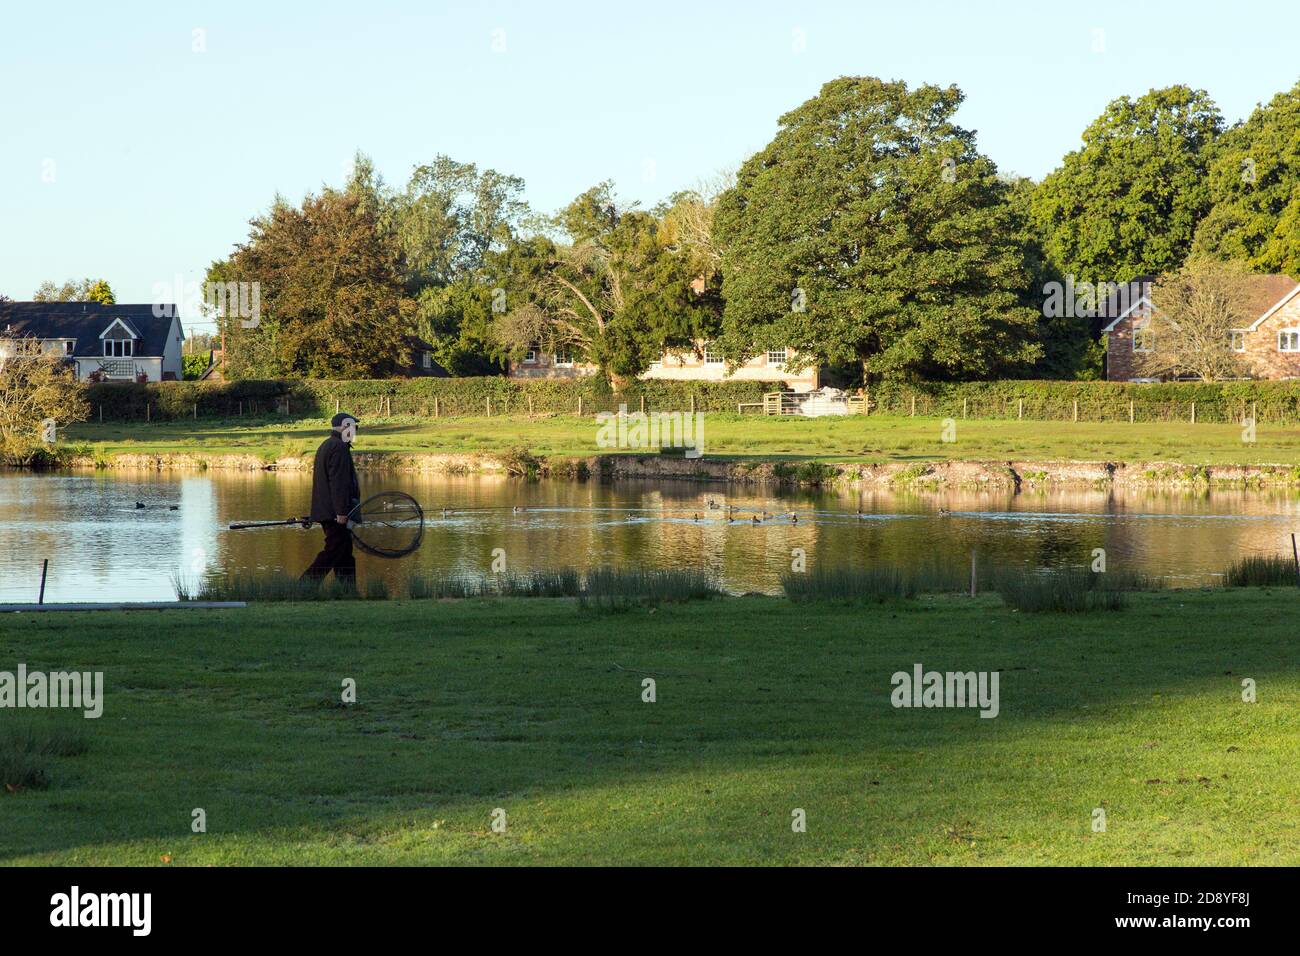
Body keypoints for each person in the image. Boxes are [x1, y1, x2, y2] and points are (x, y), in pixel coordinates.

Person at [301, 412, 361, 585]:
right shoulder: (339, 447)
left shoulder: (327, 444)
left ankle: (347, 591)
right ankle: (304, 586)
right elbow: (338, 483)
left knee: (344, 554)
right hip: (335, 514)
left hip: (328, 511)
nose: (355, 431)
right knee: (332, 552)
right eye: (353, 427)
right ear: (344, 428)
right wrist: (342, 512)